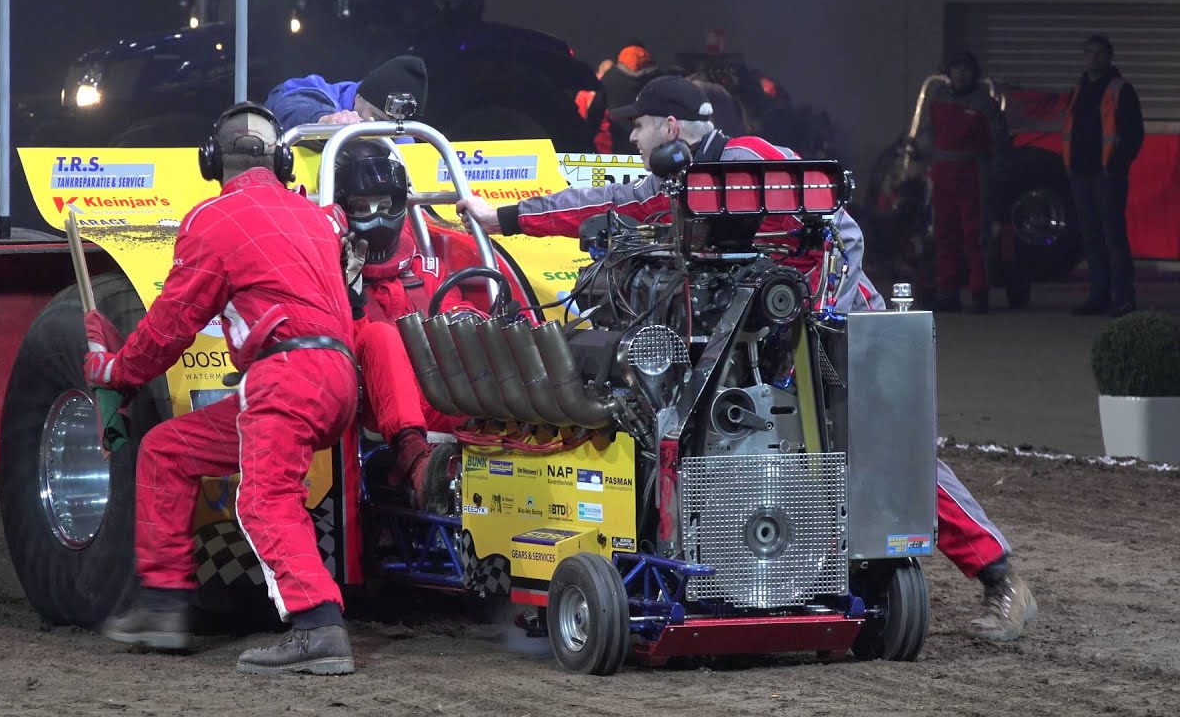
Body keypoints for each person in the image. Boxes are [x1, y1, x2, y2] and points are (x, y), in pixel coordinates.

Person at [456, 75, 1038, 642]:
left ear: (669, 125)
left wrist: (820, 315)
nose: (632, 140)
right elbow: (606, 202)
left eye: (638, 127)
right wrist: (502, 218)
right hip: (760, 328)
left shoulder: (749, 160)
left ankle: (1000, 577)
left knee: (877, 444)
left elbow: (845, 234)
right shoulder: (675, 183)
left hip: (830, 321)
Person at [85, 102, 362, 675]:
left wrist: (115, 372)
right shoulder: (315, 216)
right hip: (336, 377)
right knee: (167, 451)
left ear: (211, 161)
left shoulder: (212, 221)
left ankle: (318, 626)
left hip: (285, 376)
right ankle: (163, 607)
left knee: (263, 499)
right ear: (283, 161)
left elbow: (170, 328)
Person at [335, 139, 474, 509]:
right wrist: (352, 294)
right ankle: (415, 463)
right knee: (380, 335)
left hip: (437, 395)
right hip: (372, 400)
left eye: (385, 204)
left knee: (475, 327)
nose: (377, 216)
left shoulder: (425, 267)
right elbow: (342, 348)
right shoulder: (328, 270)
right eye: (362, 207)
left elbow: (455, 326)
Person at [916, 51, 1008, 314]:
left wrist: (995, 175)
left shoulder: (983, 104)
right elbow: (926, 132)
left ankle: (979, 293)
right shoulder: (938, 99)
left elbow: (998, 142)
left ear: (974, 73)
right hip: (942, 174)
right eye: (957, 69)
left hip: (973, 174)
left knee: (974, 236)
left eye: (966, 69)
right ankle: (948, 292)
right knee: (945, 235)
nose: (961, 74)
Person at [1065, 34, 1144, 317]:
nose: (1093, 58)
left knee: (1113, 238)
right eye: (1089, 53)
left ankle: (1123, 298)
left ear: (1109, 56)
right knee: (1092, 239)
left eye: (1099, 53)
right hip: (1081, 174)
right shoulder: (1079, 88)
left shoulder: (1121, 89)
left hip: (1106, 176)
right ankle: (1099, 296)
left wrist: (1116, 166)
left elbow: (1134, 134)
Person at [264, 55, 429, 144]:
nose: (382, 133)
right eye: (377, 119)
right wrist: (324, 121)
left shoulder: (402, 139)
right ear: (359, 97)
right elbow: (287, 108)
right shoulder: (316, 93)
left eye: (392, 131)